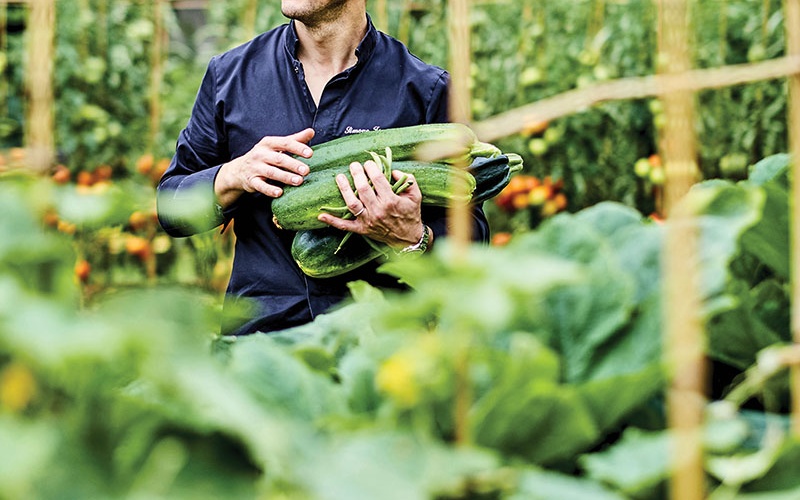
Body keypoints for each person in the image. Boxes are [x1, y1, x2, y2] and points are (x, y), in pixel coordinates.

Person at [157, 0, 489, 336]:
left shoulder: (425, 90)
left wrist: (412, 236)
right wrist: (232, 175)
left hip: (379, 347)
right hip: (259, 347)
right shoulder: (230, 76)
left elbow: (473, 243)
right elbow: (171, 208)